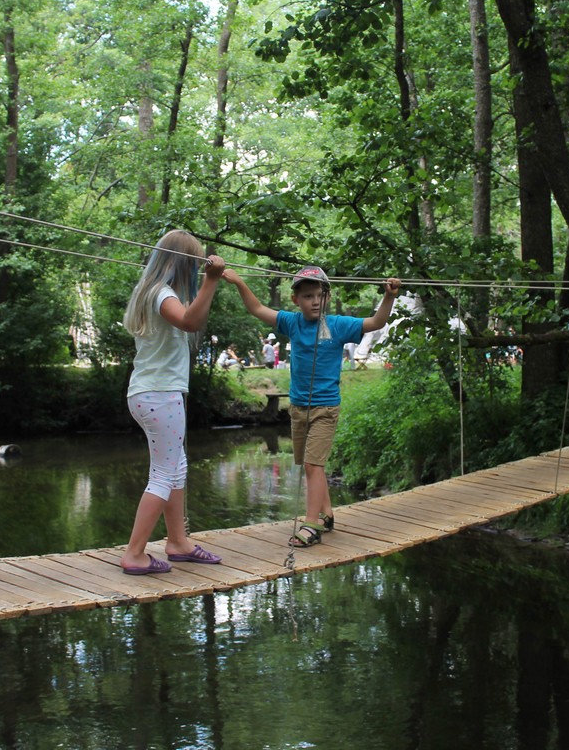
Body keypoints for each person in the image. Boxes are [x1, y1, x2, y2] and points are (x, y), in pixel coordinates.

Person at [223, 265, 401, 547]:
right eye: (308, 296)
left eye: (320, 295)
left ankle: (311, 525)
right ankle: (326, 514)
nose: (315, 301)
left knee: (312, 464)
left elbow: (376, 322)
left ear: (327, 297)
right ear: (296, 300)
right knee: (309, 466)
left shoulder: (338, 325)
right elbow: (256, 308)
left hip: (325, 409)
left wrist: (389, 296)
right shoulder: (291, 323)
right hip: (298, 408)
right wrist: (238, 282)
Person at [119, 229, 227, 575]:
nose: (197, 272)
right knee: (164, 473)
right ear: (182, 265)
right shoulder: (162, 294)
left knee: (176, 467)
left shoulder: (151, 291)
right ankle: (134, 554)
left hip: (152, 393)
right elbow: (190, 321)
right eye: (194, 266)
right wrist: (211, 281)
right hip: (160, 395)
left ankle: (178, 541)